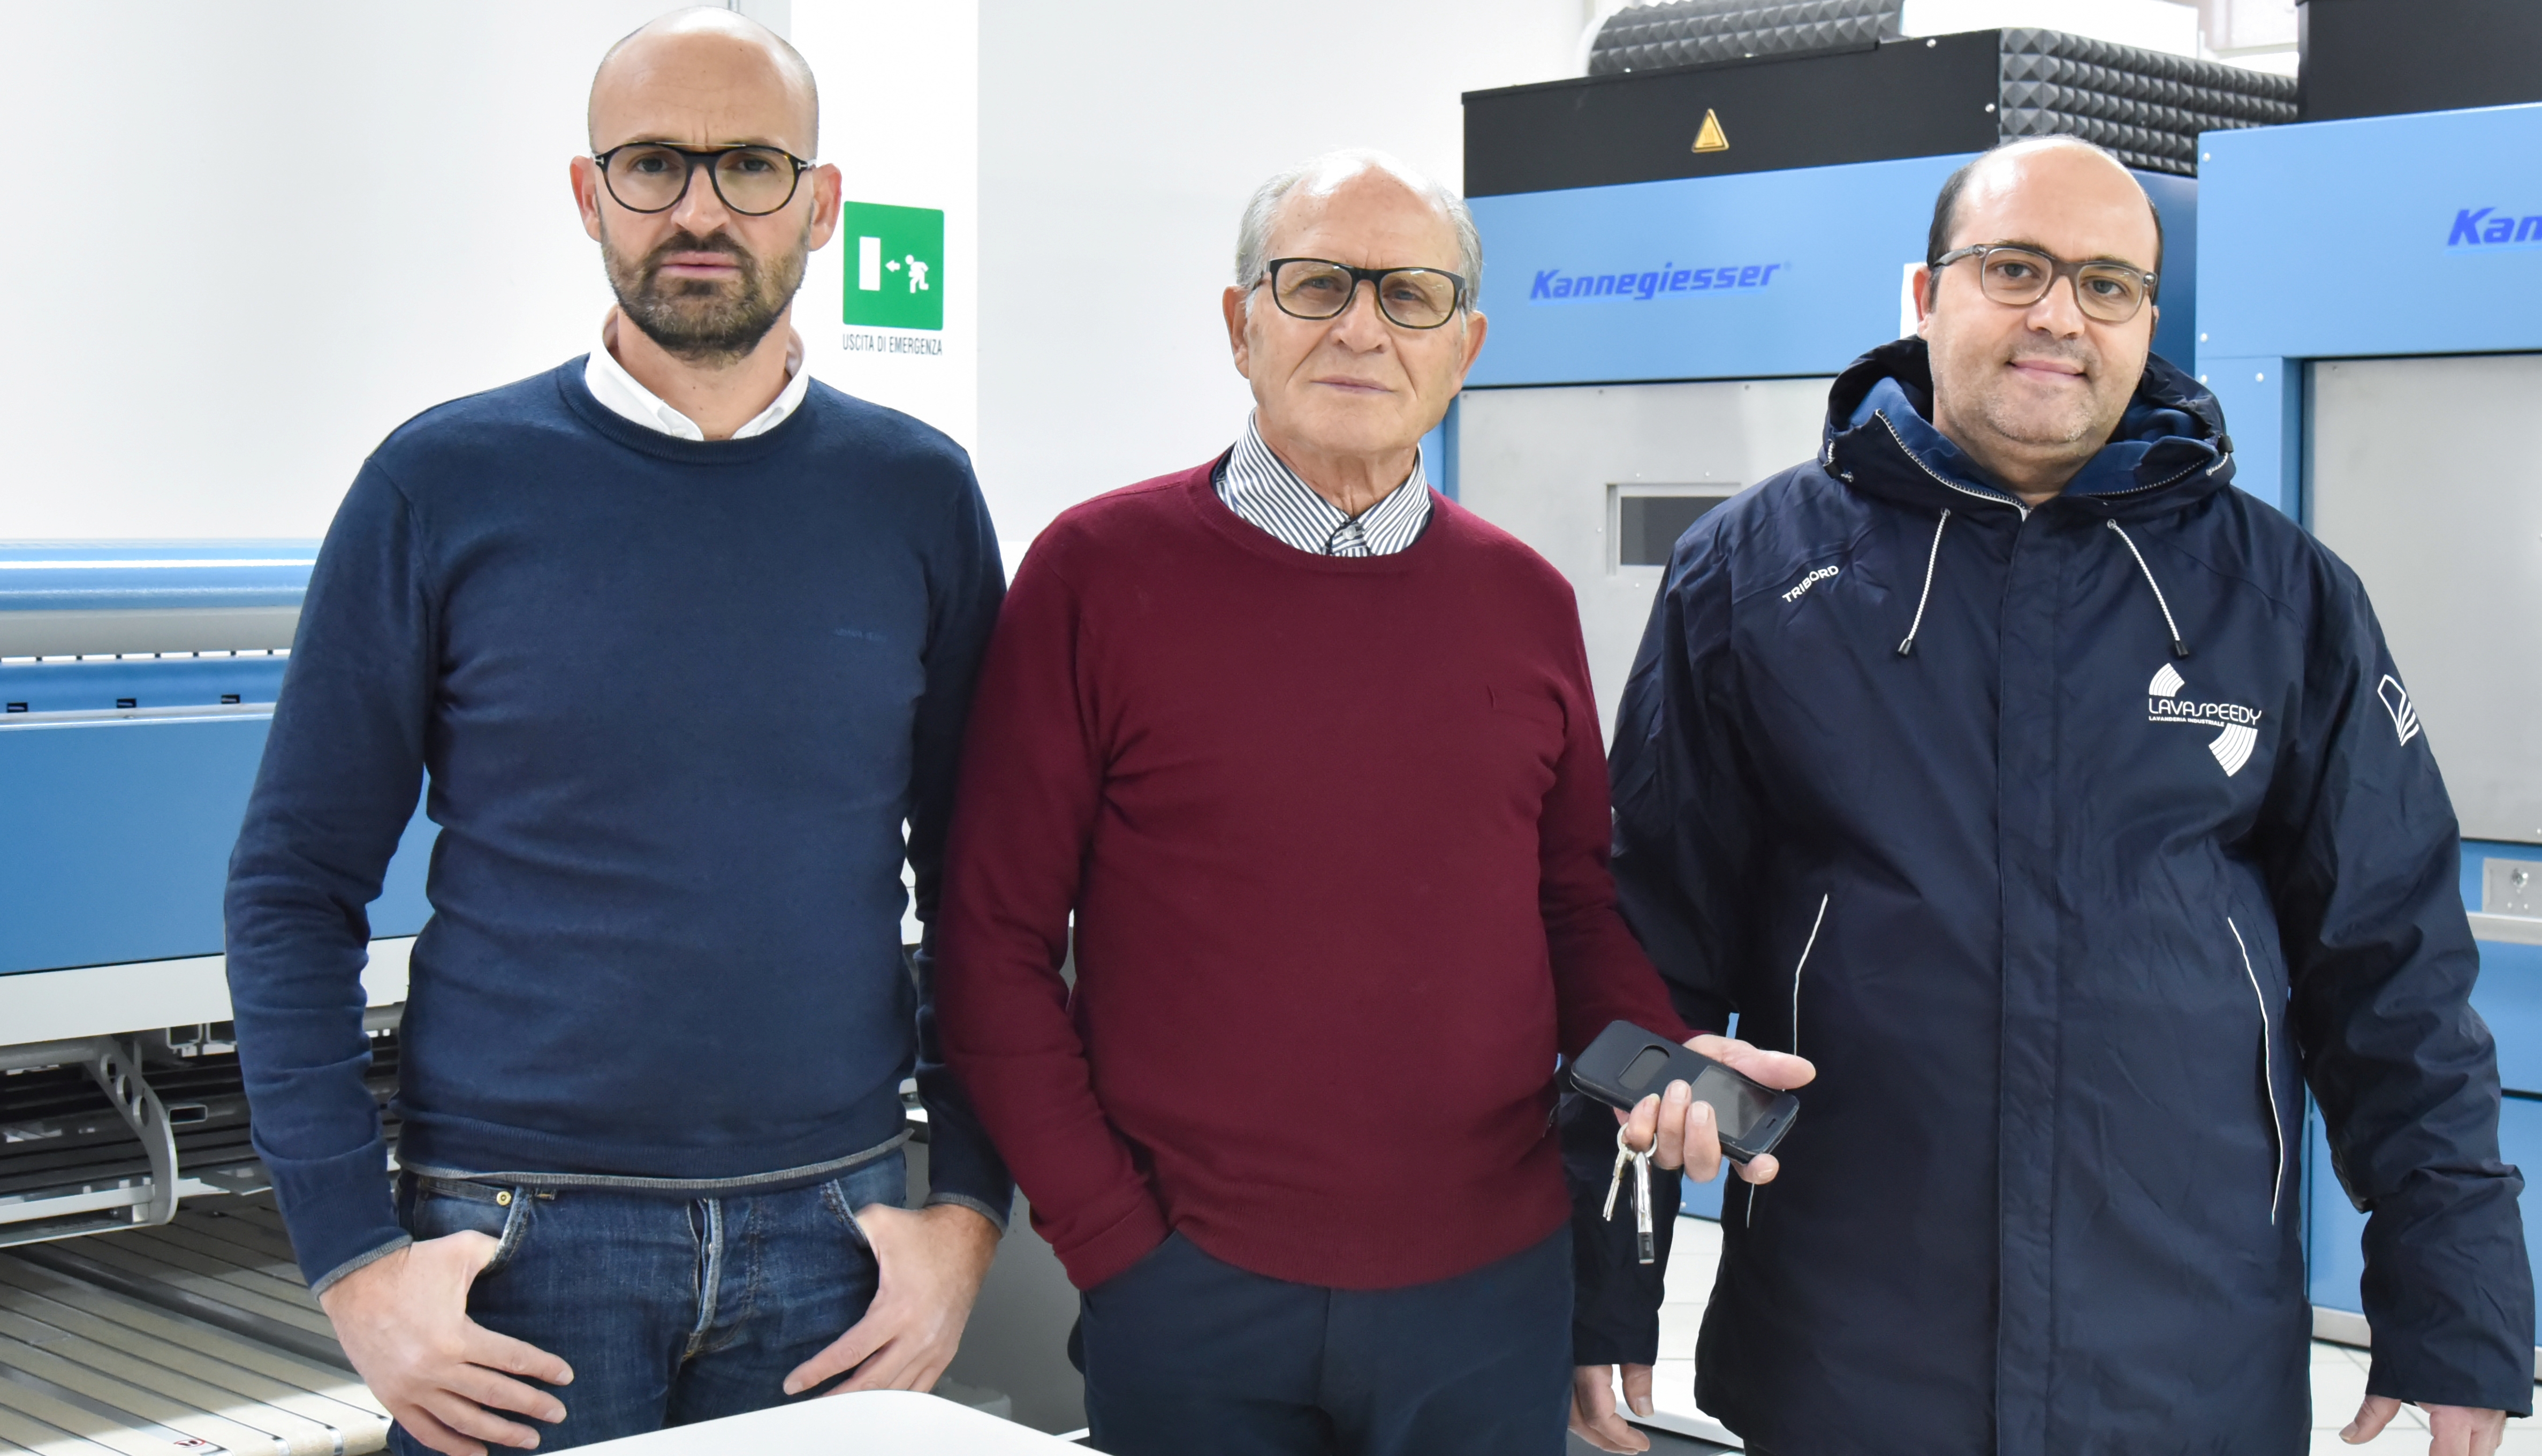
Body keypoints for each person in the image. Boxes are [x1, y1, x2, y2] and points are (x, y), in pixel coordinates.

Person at [1575, 135, 2535, 1456]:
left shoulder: (2278, 597)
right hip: (1846, 1351)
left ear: (2145, 315)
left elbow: (2395, 977)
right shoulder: (1749, 574)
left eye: (2105, 284)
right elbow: (1640, 952)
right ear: (1925, 295)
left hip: (2180, 1363)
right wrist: (1602, 1285)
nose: (2059, 317)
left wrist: (2453, 1304)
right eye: (2014, 268)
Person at [932, 149, 1812, 1456]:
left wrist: (1671, 1061)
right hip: (1191, 1295)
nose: (1359, 327)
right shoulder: (1092, 575)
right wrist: (1110, 1237)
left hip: (1489, 1301)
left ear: (1464, 347)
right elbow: (989, 943)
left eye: (1408, 295)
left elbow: (1569, 909)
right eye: (1315, 285)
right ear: (1239, 324)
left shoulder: (1522, 600)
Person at [223, 11, 1010, 1453]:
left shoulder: (917, 496)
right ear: (589, 196)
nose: (700, 208)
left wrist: (965, 1208)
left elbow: (985, 889)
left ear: (821, 204)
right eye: (653, 164)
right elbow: (293, 888)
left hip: (833, 1237)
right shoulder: (440, 486)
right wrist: (350, 1261)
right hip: (517, 1241)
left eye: (751, 165)